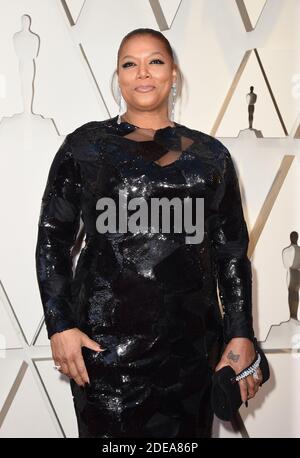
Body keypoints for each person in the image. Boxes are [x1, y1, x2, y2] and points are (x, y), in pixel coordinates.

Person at [35, 28, 262, 438]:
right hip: (103, 355)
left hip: (190, 353)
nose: (143, 73)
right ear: (118, 76)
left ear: (173, 73)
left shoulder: (210, 156)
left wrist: (240, 333)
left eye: (155, 61)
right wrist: (60, 326)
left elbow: (231, 253)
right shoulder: (85, 147)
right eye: (129, 63)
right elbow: (53, 239)